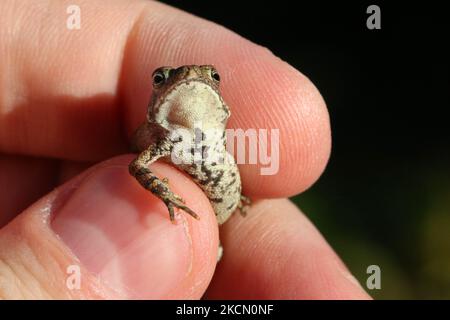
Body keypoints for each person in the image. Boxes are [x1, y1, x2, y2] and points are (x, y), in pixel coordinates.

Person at [0, 0, 369, 299]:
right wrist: (166, 196)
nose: (189, 79)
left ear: (220, 99)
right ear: (157, 94)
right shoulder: (162, 138)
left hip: (223, 207)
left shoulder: (217, 131)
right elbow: (137, 167)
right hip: (200, 219)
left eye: (213, 77)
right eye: (162, 78)